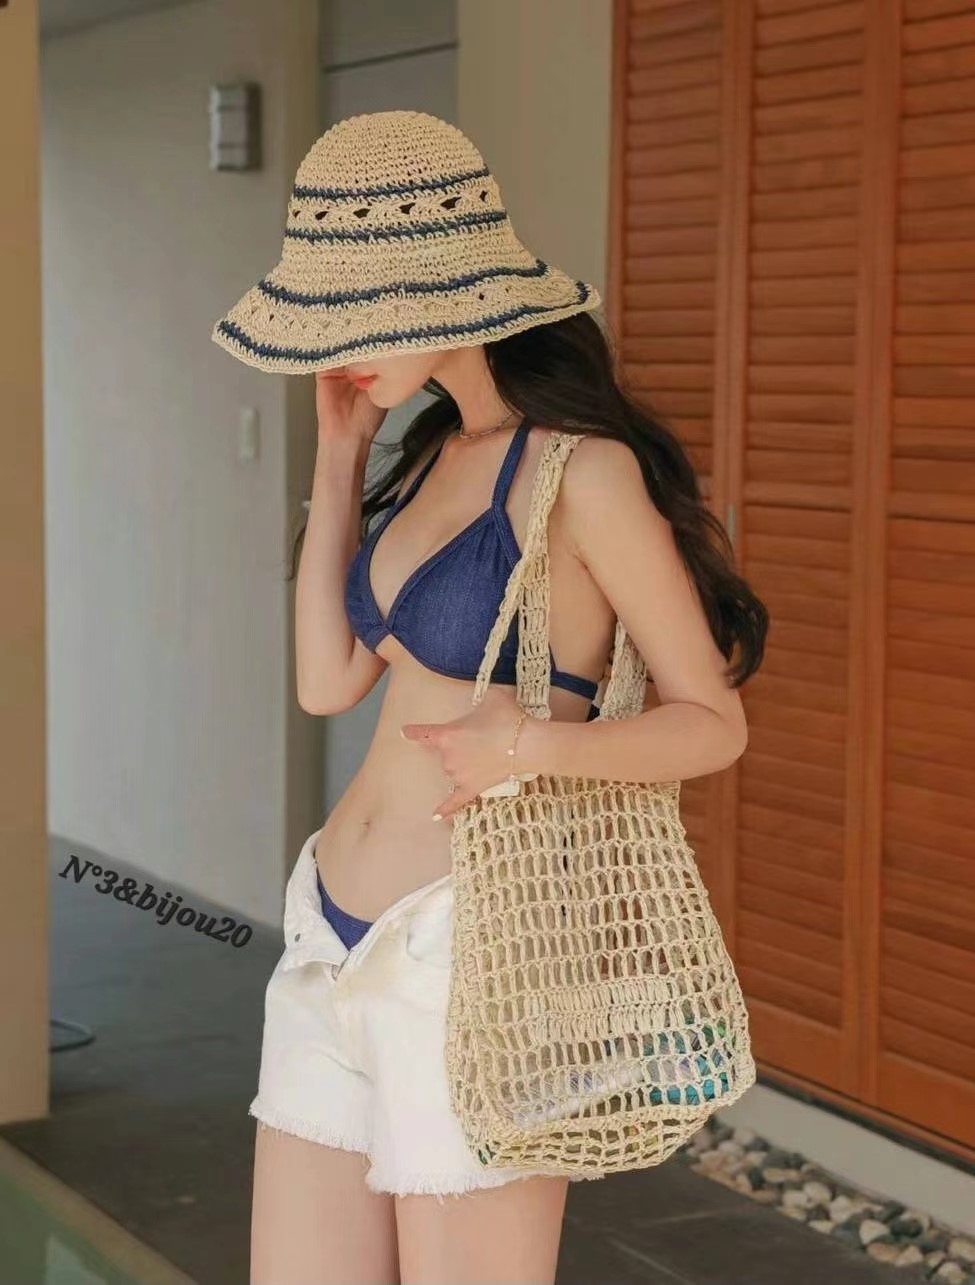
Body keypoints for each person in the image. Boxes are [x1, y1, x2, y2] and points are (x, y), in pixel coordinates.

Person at [211, 110, 768, 1285]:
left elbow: (713, 722)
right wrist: (341, 454)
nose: (337, 347)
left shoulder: (581, 472)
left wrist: (531, 744)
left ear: (445, 292)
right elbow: (326, 680)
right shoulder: (431, 454)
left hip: (477, 950)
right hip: (325, 934)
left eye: (357, 313)